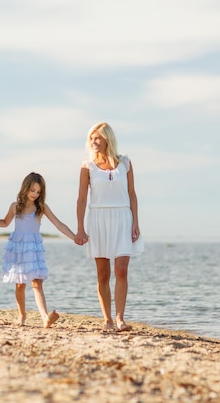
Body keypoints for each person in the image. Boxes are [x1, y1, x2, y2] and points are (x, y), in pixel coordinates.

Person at [75, 122, 144, 332]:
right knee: (103, 274)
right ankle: (107, 320)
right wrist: (80, 228)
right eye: (91, 138)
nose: (94, 142)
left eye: (98, 138)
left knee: (121, 270)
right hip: (98, 219)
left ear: (107, 139)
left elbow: (132, 194)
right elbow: (81, 199)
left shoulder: (125, 163)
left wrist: (136, 222)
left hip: (123, 217)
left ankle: (120, 318)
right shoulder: (87, 167)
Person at [0, 172, 80, 328]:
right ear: (25, 188)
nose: (35, 194)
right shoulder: (15, 206)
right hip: (18, 247)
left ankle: (45, 317)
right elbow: (4, 222)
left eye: (38, 192)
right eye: (32, 190)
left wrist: (74, 237)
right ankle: (21, 316)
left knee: (37, 282)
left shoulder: (41, 208)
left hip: (33, 248)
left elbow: (58, 224)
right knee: (20, 285)